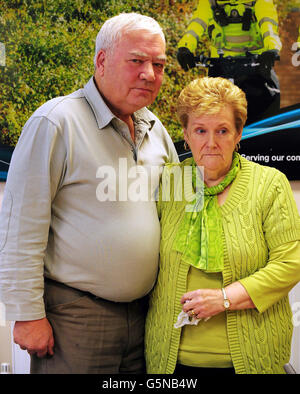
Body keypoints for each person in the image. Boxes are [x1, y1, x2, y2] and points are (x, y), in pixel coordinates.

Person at [0, 13, 178, 374]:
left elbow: (176, 215)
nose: (150, 74)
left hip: (147, 316)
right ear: (101, 61)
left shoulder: (156, 130)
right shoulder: (56, 122)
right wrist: (26, 315)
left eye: (158, 64)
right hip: (76, 317)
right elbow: (20, 227)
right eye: (137, 61)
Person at [145, 77, 300, 374]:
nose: (211, 143)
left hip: (252, 360)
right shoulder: (169, 182)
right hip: (169, 363)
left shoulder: (269, 184)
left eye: (223, 130)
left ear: (239, 133)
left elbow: (291, 262)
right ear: (186, 135)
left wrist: (224, 299)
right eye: (200, 131)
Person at [176, 0, 282, 124]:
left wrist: (271, 48)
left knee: (268, 108)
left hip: (255, 66)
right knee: (212, 116)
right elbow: (198, 22)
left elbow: (268, 22)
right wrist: (185, 47)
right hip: (220, 67)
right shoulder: (210, 1)